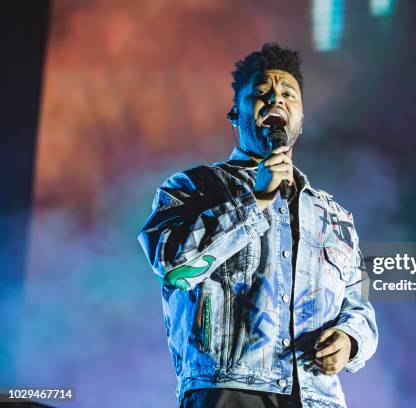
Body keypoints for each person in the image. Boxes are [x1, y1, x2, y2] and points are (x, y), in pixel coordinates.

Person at [138, 43, 378, 408]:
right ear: (235, 113)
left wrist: (350, 339)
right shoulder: (194, 187)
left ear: (300, 116)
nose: (276, 100)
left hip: (317, 397)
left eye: (288, 94)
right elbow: (174, 269)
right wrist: (255, 201)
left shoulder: (335, 216)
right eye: (261, 93)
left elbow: (359, 306)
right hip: (228, 392)